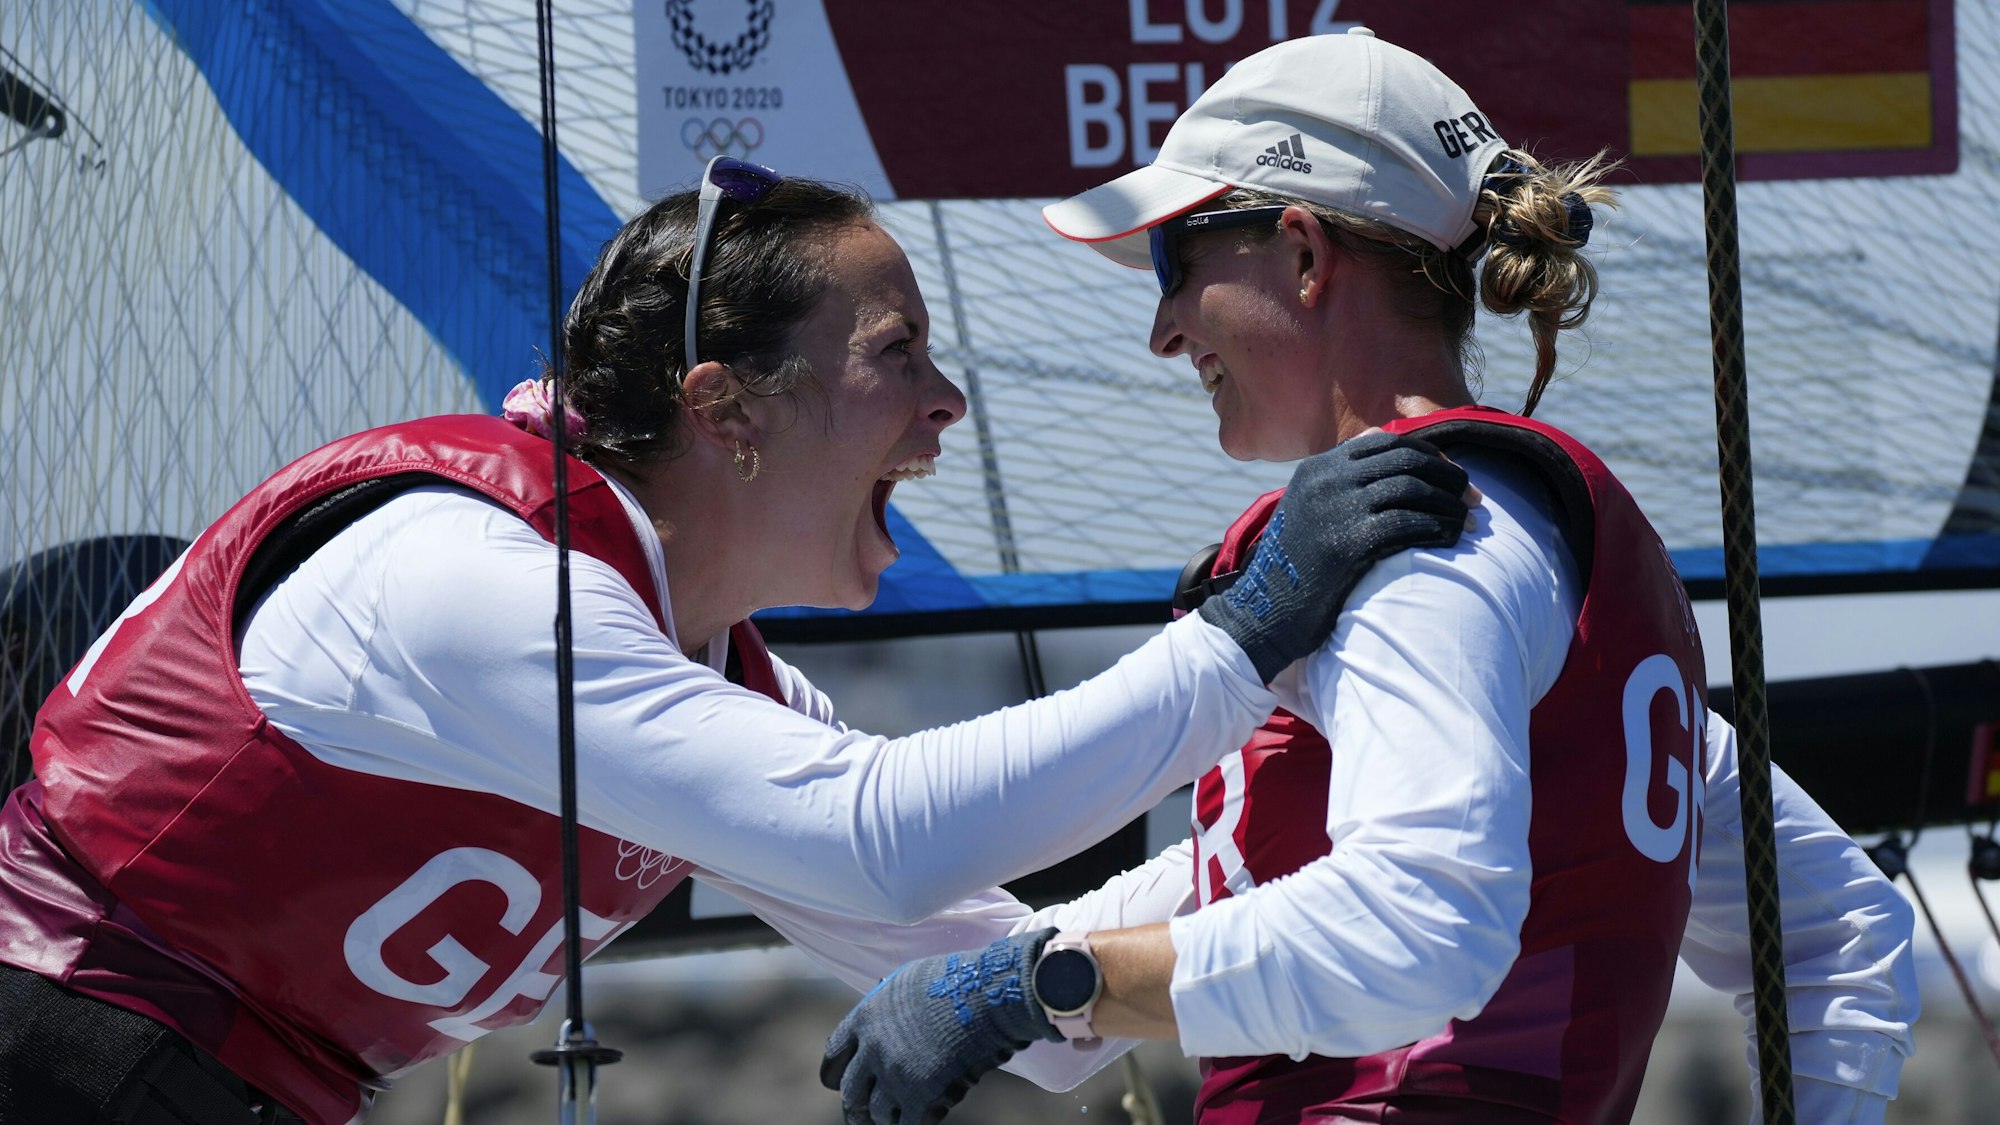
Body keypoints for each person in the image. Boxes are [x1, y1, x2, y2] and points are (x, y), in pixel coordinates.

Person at [0, 163, 1476, 1123]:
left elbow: (1020, 994)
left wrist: (1388, 880)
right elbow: (875, 843)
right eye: (898, 355)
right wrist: (1243, 634)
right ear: (728, 414)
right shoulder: (476, 578)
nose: (950, 403)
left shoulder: (705, 669)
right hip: (61, 1043)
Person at [816, 29, 1918, 1125]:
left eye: (1174, 264)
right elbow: (1842, 936)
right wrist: (1026, 972)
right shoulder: (1553, 555)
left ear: (1300, 252)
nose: (1161, 331)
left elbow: (1418, 924)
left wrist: (1039, 989)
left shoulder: (1420, 553)